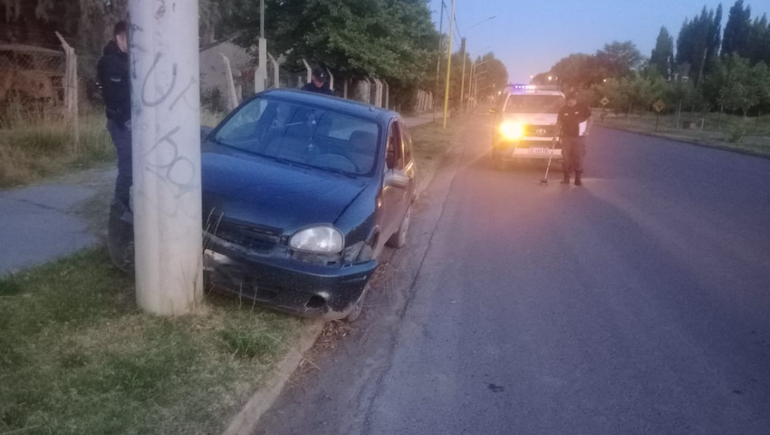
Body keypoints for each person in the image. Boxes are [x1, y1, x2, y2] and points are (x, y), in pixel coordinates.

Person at [97, 21, 132, 209]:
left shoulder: (125, 60)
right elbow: (119, 93)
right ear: (120, 38)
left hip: (131, 121)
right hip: (120, 122)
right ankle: (120, 207)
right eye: (131, 39)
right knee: (128, 168)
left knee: (137, 166)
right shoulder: (110, 62)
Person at [556, 92, 591, 186]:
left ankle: (578, 179)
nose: (569, 103)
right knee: (566, 158)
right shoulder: (563, 109)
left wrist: (587, 130)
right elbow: (559, 122)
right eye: (568, 101)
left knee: (578, 157)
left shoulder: (583, 108)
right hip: (566, 137)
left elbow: (590, 119)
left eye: (571, 101)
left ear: (575, 100)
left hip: (579, 137)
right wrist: (554, 135)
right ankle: (566, 178)